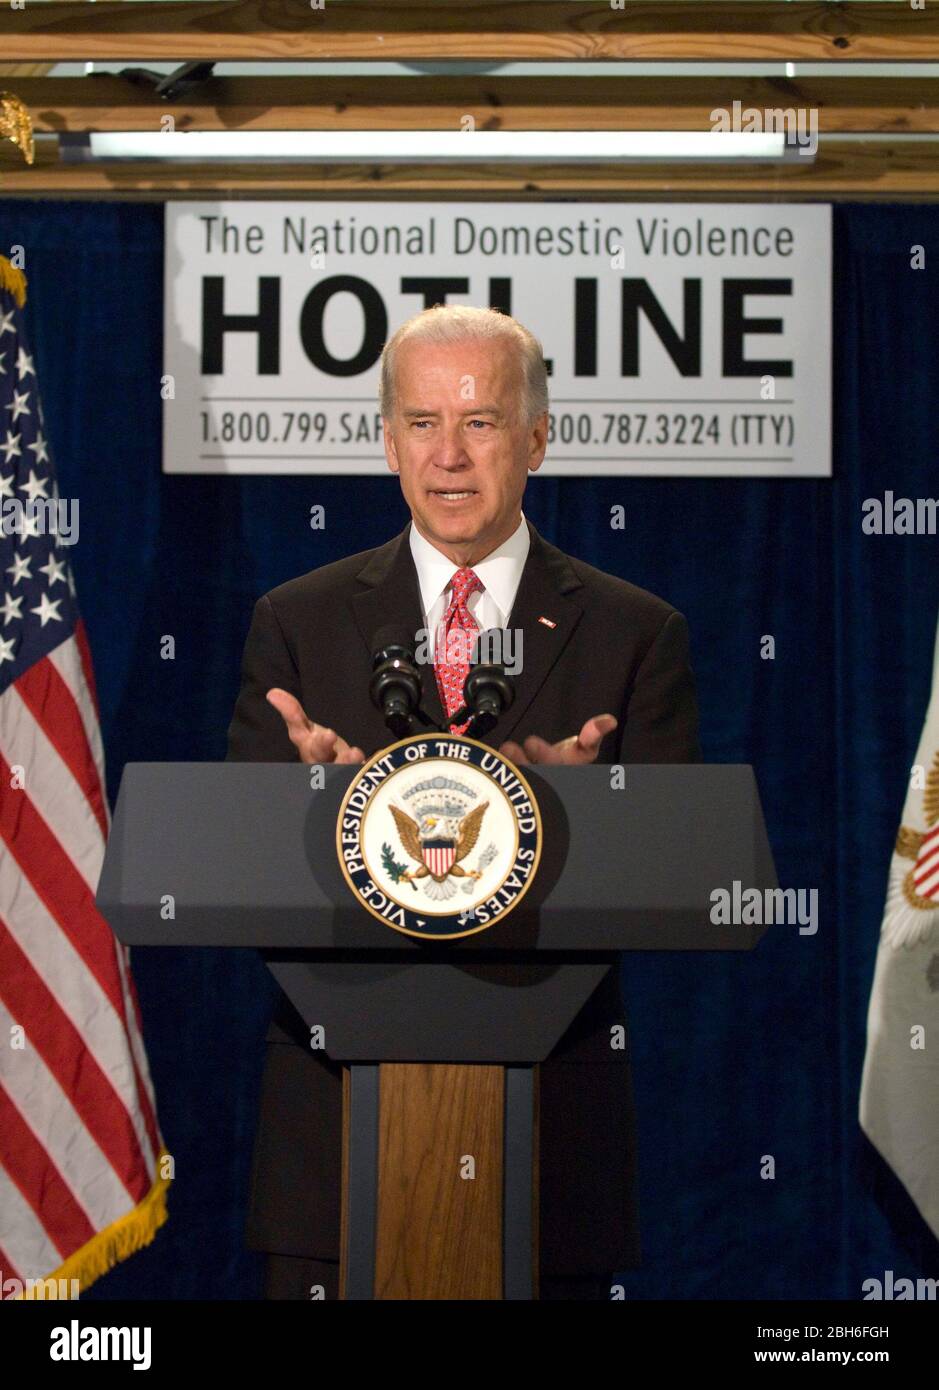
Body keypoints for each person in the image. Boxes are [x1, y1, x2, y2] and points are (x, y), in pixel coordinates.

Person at [227, 304, 700, 1300]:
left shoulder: (633, 632)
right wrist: (311, 801)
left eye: (480, 422)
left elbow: (685, 875)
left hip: (549, 1146)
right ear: (386, 439)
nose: (449, 454)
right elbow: (240, 873)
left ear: (535, 437)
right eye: (423, 422)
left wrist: (593, 816)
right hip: (336, 1142)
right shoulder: (300, 623)